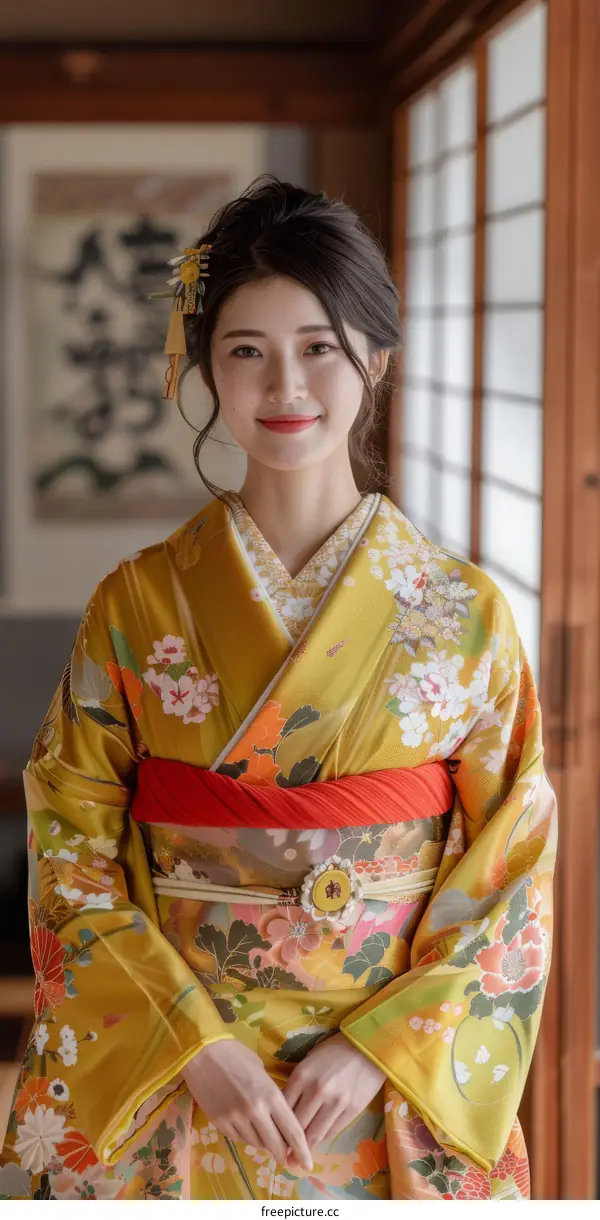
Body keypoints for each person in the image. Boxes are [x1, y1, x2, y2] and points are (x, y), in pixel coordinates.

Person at [0, 177, 557, 1202]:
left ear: (375, 359)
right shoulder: (139, 600)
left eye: (319, 346)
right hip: (184, 1070)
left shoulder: (462, 611)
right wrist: (192, 1044)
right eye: (245, 350)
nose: (284, 384)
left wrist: (383, 1045)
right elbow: (69, 842)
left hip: (377, 1087)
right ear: (206, 367)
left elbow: (511, 867)